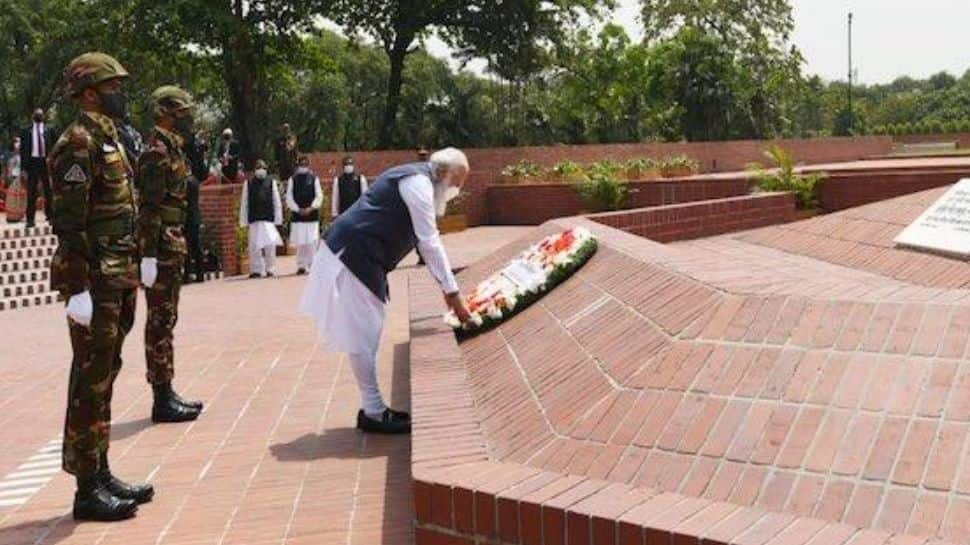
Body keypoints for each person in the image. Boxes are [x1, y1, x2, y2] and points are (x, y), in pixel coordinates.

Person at [300, 147, 472, 434]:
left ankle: (373, 409)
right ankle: (374, 411)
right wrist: (452, 293)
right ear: (444, 173)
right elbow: (429, 242)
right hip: (355, 253)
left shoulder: (416, 180)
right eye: (457, 183)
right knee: (364, 332)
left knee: (368, 329)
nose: (456, 190)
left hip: (362, 255)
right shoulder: (418, 184)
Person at [49, 52, 152, 522]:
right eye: (113, 85)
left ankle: (101, 469)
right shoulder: (77, 142)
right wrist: (77, 290)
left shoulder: (109, 137)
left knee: (105, 375)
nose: (120, 93)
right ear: (89, 91)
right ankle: (85, 489)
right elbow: (69, 225)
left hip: (118, 275)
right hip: (95, 280)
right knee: (89, 381)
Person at [136, 85, 205, 424]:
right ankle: (161, 398)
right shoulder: (156, 151)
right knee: (160, 322)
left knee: (168, 320)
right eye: (181, 112)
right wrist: (147, 255)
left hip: (173, 240)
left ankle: (168, 389)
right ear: (164, 112)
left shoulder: (176, 148)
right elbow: (148, 206)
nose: (186, 118)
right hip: (160, 245)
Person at [238, 159, 282, 278]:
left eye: (262, 167)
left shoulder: (271, 182)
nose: (260, 170)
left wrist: (278, 219)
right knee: (254, 246)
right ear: (254, 170)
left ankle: (270, 268)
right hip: (254, 219)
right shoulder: (248, 183)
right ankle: (256, 270)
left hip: (268, 219)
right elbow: (244, 203)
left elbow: (276, 201)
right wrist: (244, 221)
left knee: (270, 246)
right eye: (258, 168)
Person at [285, 156, 322, 275]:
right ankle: (301, 265)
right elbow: (289, 197)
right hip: (298, 215)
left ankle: (313, 265)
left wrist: (312, 207)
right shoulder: (293, 179)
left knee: (312, 242)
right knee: (301, 242)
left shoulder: (314, 178)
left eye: (305, 164)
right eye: (302, 164)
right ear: (298, 165)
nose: (304, 166)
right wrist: (297, 209)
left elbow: (319, 196)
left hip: (312, 215)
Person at [20, 108, 56, 227]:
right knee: (32, 191)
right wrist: (23, 169)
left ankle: (50, 216)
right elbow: (23, 151)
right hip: (32, 163)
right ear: (33, 116)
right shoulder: (26, 130)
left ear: (43, 116)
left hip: (46, 162)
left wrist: (53, 161)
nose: (38, 115)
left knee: (48, 190)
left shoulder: (49, 129)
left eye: (41, 114)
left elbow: (55, 147)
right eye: (36, 114)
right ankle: (30, 220)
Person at [183, 130, 210, 283]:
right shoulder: (194, 181)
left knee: (186, 248)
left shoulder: (186, 182)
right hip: (195, 216)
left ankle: (187, 274)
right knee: (196, 247)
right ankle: (200, 274)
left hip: (187, 217)